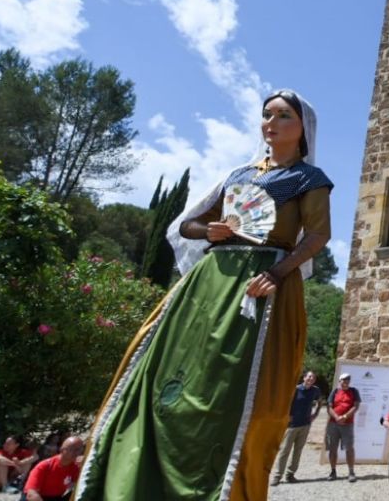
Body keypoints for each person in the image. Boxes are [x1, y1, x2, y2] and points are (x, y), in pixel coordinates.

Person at [75, 90, 333, 501]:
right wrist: (209, 231)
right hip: (210, 281)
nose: (272, 122)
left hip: (261, 282)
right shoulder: (238, 176)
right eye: (267, 114)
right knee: (164, 372)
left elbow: (318, 235)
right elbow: (188, 225)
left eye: (284, 116)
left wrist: (278, 272)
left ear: (303, 128)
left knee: (235, 389)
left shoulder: (309, 180)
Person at [272, 370, 320, 485]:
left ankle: (290, 474)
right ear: (304, 378)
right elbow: (285, 403)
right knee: (284, 451)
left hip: (305, 425)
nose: (311, 379)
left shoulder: (315, 390)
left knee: (297, 451)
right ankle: (277, 476)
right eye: (309, 377)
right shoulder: (296, 389)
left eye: (313, 378)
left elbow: (319, 402)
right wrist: (287, 416)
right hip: (292, 426)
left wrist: (315, 414)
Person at [21, 437, 83, 501]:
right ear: (62, 450)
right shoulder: (44, 466)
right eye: (73, 449)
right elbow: (31, 495)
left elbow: (78, 485)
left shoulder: (75, 467)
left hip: (55, 497)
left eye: (80, 450)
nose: (77, 453)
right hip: (37, 497)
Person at [326, 372, 361, 482]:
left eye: (348, 380)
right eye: (344, 380)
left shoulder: (354, 391)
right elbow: (329, 407)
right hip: (333, 424)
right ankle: (333, 471)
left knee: (349, 449)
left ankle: (351, 472)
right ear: (339, 381)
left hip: (348, 424)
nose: (346, 382)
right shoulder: (335, 391)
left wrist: (345, 416)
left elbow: (356, 406)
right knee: (332, 448)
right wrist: (336, 417)